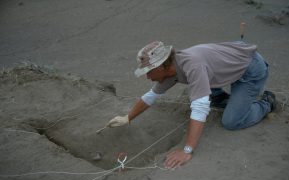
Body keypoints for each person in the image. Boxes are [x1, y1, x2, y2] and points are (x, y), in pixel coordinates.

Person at [106, 41, 276, 169]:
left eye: (148, 71)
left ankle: (266, 103)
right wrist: (127, 118)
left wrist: (187, 150)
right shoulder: (170, 70)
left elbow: (200, 108)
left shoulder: (192, 65)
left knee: (231, 121)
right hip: (222, 67)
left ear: (161, 66)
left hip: (249, 69)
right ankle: (230, 100)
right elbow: (151, 96)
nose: (147, 76)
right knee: (202, 94)